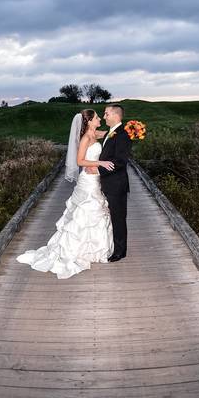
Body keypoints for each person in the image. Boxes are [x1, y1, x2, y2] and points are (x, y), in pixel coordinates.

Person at [16, 109, 115, 279]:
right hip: (87, 182)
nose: (100, 119)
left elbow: (111, 132)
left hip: (96, 180)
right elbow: (79, 161)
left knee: (97, 213)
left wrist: (130, 128)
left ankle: (93, 251)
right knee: (84, 214)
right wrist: (101, 162)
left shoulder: (95, 134)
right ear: (89, 121)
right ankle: (78, 251)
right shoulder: (85, 138)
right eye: (97, 117)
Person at [98, 104, 132, 261]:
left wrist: (99, 170)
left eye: (106, 114)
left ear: (116, 116)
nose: (104, 117)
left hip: (116, 185)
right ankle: (115, 246)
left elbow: (120, 161)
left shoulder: (122, 135)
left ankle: (120, 251)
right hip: (108, 183)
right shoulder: (110, 133)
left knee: (118, 218)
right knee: (113, 216)